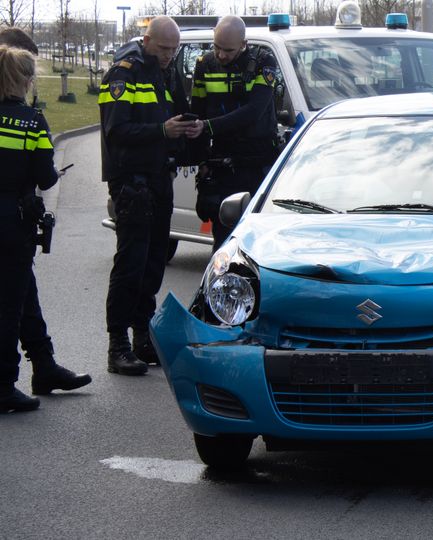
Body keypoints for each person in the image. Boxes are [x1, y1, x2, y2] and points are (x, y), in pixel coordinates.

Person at [99, 16, 202, 376]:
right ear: (146, 41)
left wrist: (186, 130)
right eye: (163, 48)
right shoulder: (123, 73)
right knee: (130, 264)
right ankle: (118, 345)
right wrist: (162, 130)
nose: (169, 55)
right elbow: (117, 130)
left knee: (154, 261)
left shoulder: (167, 70)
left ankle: (142, 336)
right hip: (131, 181)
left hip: (159, 177)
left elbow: (172, 112)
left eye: (174, 49)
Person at [0, 45, 92, 412]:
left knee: (24, 294)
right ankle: (4, 385)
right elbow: (46, 178)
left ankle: (45, 366)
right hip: (13, 222)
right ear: (24, 80)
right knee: (8, 305)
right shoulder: (32, 120)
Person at [190, 15, 279, 249]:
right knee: (223, 240)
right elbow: (196, 112)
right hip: (222, 168)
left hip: (256, 166)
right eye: (216, 47)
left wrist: (209, 126)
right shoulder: (204, 64)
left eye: (228, 50)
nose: (221, 55)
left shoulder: (264, 62)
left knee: (257, 241)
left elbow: (254, 112)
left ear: (243, 44)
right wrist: (201, 160)